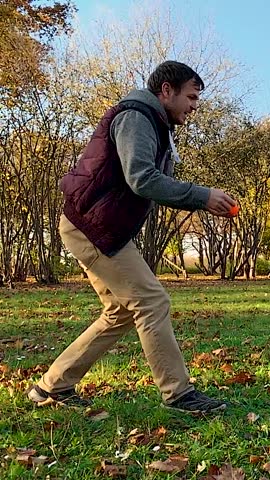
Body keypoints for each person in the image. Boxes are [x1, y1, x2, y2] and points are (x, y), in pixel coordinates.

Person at [28, 61, 236, 414]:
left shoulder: (152, 121)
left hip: (96, 226)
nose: (194, 106)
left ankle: (52, 387)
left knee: (120, 311)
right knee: (152, 301)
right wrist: (202, 196)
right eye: (191, 97)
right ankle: (178, 394)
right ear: (166, 90)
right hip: (92, 227)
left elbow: (144, 182)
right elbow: (142, 178)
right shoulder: (137, 116)